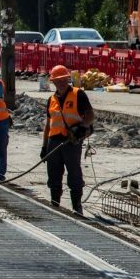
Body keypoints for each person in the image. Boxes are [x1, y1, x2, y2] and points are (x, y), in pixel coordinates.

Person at [42, 64, 95, 215]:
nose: (61, 82)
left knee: (74, 174)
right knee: (54, 175)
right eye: (58, 80)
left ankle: (77, 207)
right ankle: (55, 204)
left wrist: (81, 127)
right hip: (54, 141)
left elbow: (90, 115)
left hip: (71, 142)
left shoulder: (78, 94)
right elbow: (48, 125)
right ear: (53, 81)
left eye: (63, 79)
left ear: (68, 79)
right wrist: (44, 147)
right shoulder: (51, 99)